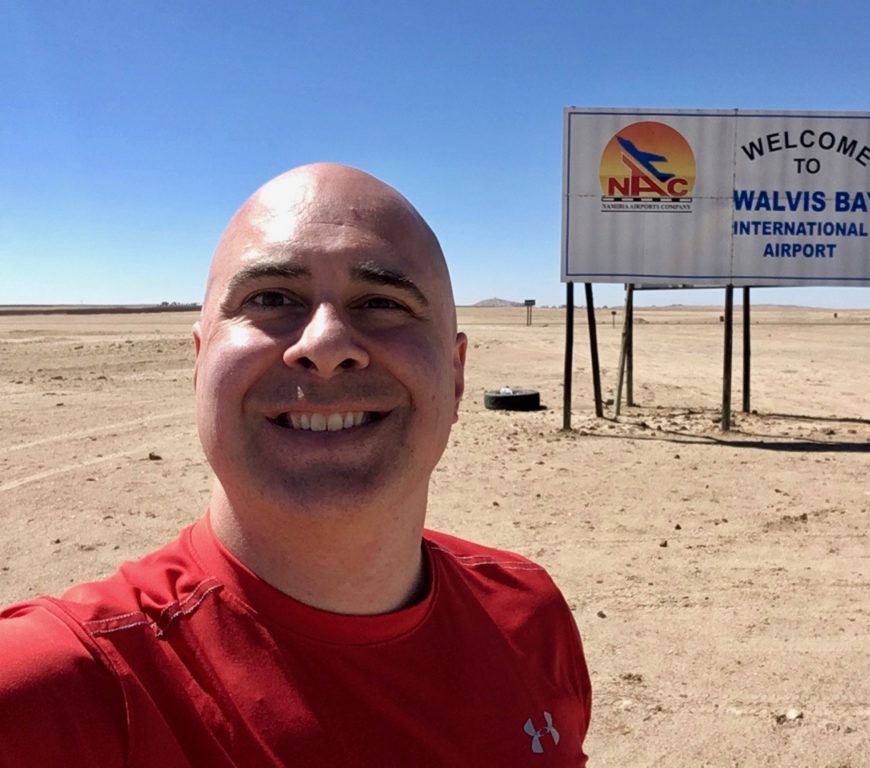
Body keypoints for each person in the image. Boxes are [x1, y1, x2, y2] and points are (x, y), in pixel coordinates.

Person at [0, 164, 591, 766]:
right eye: (271, 299)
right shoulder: (53, 696)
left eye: (382, 302)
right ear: (199, 364)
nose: (326, 345)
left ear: (457, 374)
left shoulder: (528, 616)